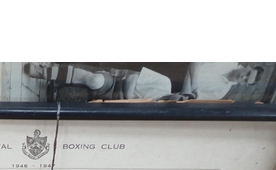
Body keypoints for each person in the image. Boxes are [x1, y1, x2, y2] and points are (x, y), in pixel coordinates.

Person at [24, 62, 264, 102]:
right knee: (101, 73)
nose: (241, 77)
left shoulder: (221, 91)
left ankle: (59, 91)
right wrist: (191, 85)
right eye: (245, 73)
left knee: (101, 89)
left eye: (245, 81)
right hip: (167, 68)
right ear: (245, 66)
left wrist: (189, 88)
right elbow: (195, 62)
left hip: (164, 91)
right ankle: (48, 70)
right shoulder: (228, 59)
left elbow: (191, 98)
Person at [180, 62, 264, 101]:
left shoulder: (220, 92)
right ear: (250, 66)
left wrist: (189, 77)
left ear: (244, 84)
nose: (243, 77)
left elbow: (188, 97)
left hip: (174, 86)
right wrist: (193, 85)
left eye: (245, 80)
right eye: (248, 73)